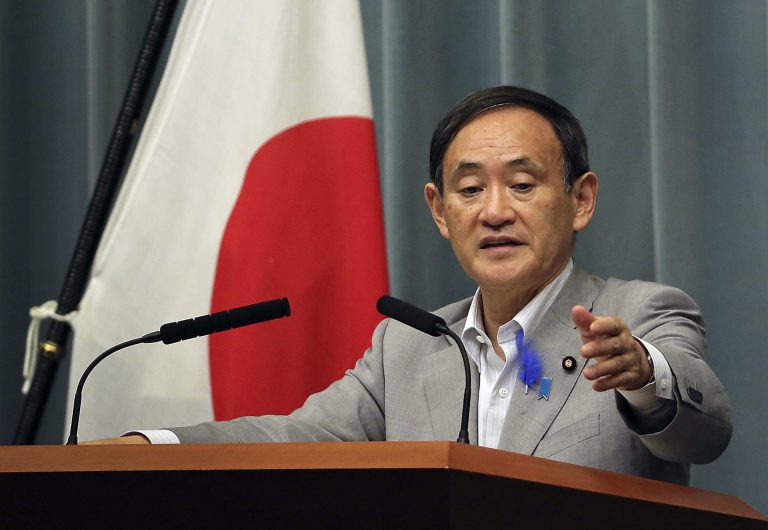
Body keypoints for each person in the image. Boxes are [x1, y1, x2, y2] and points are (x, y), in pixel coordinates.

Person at [87, 86, 731, 485]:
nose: (494, 211)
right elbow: (295, 437)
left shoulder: (640, 313)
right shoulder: (409, 346)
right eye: (470, 189)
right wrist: (152, 445)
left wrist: (643, 375)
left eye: (522, 184)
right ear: (439, 211)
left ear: (580, 199)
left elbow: (705, 434)